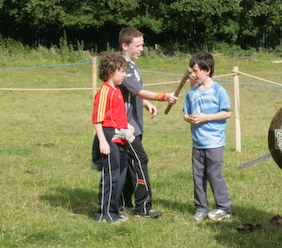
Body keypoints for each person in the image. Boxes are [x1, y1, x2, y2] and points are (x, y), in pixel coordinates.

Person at [118, 27, 177, 218]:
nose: (142, 49)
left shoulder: (132, 65)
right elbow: (139, 91)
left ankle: (123, 203)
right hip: (126, 127)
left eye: (142, 45)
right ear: (124, 46)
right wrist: (163, 96)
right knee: (139, 161)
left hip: (135, 123)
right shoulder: (122, 67)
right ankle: (143, 208)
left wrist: (145, 104)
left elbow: (134, 93)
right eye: (138, 45)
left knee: (129, 164)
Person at [183, 52, 234, 222]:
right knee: (198, 176)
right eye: (192, 71)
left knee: (214, 175)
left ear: (208, 70)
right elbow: (185, 113)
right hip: (197, 143)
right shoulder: (192, 93)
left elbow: (227, 113)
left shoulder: (219, 90)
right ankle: (201, 208)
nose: (193, 75)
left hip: (214, 143)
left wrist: (206, 117)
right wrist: (189, 118)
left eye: (196, 71)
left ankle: (224, 207)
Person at [92, 53, 134, 223]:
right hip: (109, 137)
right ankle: (105, 214)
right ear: (110, 71)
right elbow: (97, 119)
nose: (125, 75)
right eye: (122, 71)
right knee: (111, 176)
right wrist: (102, 141)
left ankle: (115, 211)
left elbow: (116, 115)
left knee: (120, 175)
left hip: (120, 137)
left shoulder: (116, 91)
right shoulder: (104, 92)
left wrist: (127, 125)